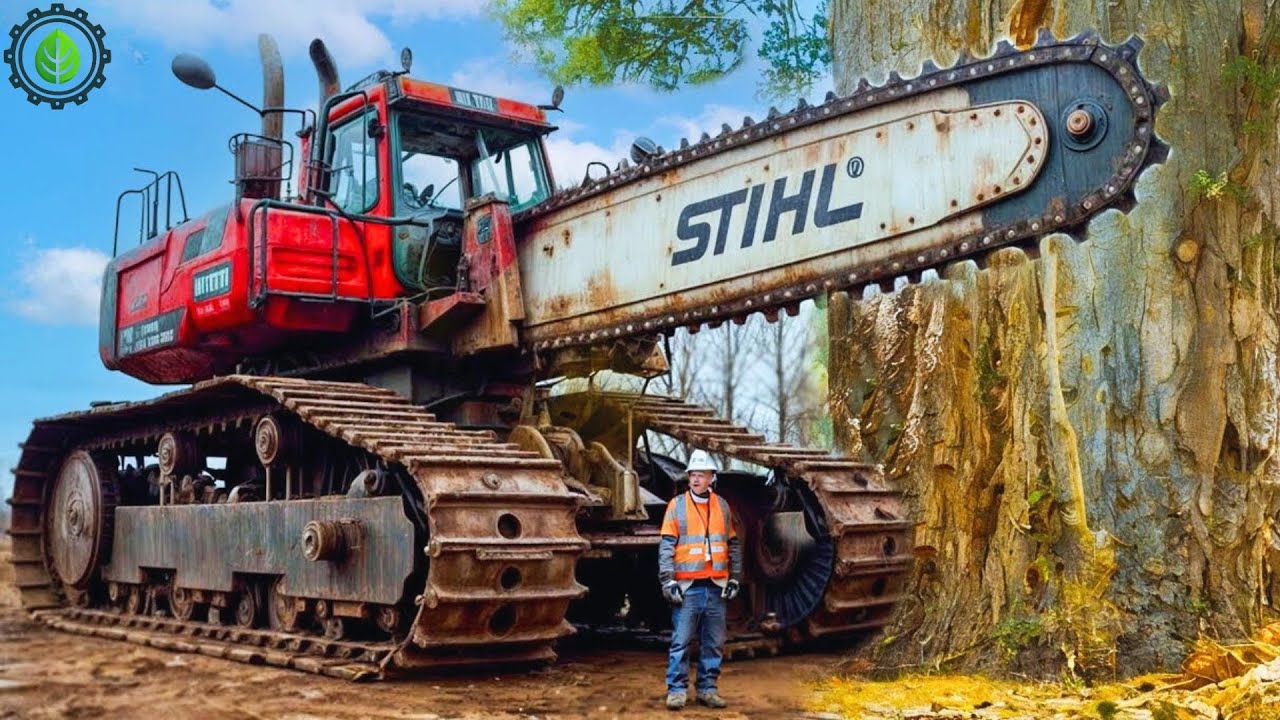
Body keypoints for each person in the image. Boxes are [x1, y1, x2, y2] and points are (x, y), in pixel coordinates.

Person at [658, 449, 743, 711]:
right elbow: (666, 546)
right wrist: (668, 581)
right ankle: (677, 690)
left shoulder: (722, 506)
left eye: (701, 475)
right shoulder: (677, 506)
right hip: (688, 587)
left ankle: (708, 689)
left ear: (711, 478)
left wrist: (734, 578)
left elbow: (732, 544)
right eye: (693, 475)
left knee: (714, 644)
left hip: (716, 586)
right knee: (681, 642)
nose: (695, 479)